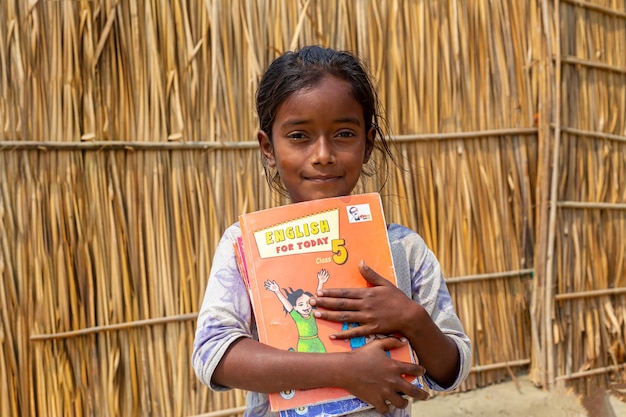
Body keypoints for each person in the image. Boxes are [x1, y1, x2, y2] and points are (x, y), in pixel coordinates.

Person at [192, 45, 472, 417]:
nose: (323, 154)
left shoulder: (403, 250)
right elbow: (214, 353)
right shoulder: (246, 246)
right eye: (298, 136)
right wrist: (343, 370)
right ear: (268, 147)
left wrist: (413, 320)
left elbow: (452, 369)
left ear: (367, 143)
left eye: (343, 133)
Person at [264, 269, 331, 353]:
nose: (306, 306)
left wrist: (321, 282)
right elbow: (287, 304)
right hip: (304, 344)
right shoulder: (297, 317)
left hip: (317, 342)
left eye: (308, 302)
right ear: (295, 307)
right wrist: (277, 291)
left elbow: (317, 299)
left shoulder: (312, 313)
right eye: (301, 304)